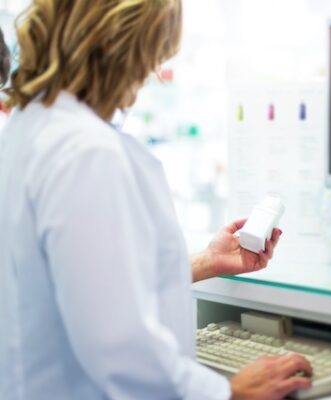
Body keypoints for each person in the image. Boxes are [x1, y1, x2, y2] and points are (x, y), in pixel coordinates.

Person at [0, 1, 312, 399]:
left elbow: (81, 282)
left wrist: (205, 261)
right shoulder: (86, 151)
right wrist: (228, 393)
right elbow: (117, 346)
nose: (148, 77)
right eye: (153, 55)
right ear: (127, 42)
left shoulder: (29, 129)